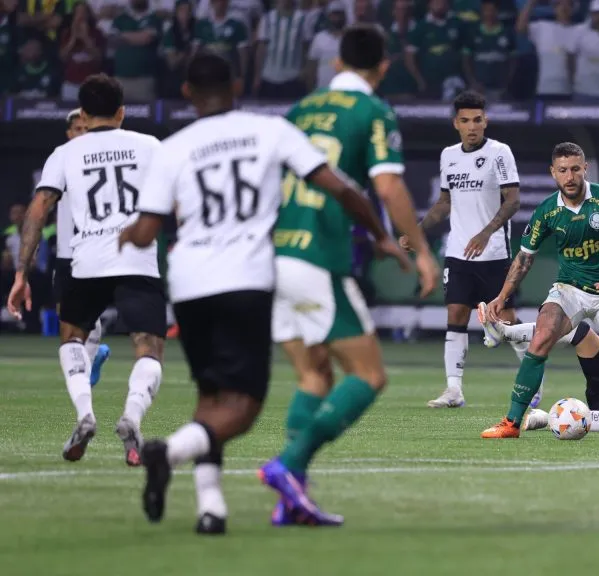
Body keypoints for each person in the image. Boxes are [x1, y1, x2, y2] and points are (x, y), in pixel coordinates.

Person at [117, 50, 408, 535]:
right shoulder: (269, 130)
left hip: (189, 284)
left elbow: (147, 232)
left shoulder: (173, 148)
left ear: (187, 93)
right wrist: (379, 234)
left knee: (212, 396)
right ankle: (169, 452)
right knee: (242, 406)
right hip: (246, 278)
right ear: (236, 86)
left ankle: (212, 508)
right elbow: (339, 187)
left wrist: (127, 234)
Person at [266, 24, 439, 527]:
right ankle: (289, 464)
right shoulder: (373, 111)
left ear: (336, 63)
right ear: (383, 68)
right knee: (369, 375)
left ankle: (292, 500)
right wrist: (421, 252)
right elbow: (388, 187)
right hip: (318, 257)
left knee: (314, 376)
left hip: (275, 255)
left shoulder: (300, 110)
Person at [7, 75, 165, 468]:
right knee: (148, 347)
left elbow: (38, 211)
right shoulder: (150, 146)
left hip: (86, 261)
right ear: (121, 112)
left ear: (83, 112)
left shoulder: (65, 153)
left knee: (72, 339)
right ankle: (132, 417)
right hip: (136, 259)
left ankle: (84, 414)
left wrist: (21, 273)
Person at [479, 142, 599, 438]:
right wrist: (502, 297)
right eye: (562, 170)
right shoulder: (547, 211)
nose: (569, 177)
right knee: (541, 340)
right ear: (552, 172)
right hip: (569, 288)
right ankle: (512, 423)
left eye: (574, 169)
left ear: (585, 169)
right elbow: (524, 258)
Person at [398, 90, 533, 409]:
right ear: (455, 123)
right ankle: (453, 390)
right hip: (458, 251)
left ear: (485, 121)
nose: (472, 126)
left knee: (506, 320)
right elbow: (444, 202)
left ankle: (532, 381)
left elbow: (513, 201)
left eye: (477, 120)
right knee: (456, 314)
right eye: (465, 121)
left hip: (494, 252)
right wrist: (417, 232)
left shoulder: (499, 152)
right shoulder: (448, 156)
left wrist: (486, 233)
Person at [53, 108, 112, 388]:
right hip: (65, 250)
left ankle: (87, 369)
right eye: (77, 129)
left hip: (93, 246)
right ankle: (94, 355)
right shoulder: (60, 159)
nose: (82, 133)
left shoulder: (104, 161)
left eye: (86, 128)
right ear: (69, 133)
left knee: (85, 311)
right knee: (65, 315)